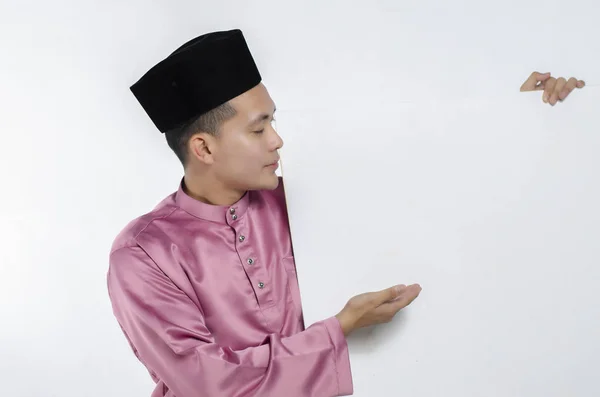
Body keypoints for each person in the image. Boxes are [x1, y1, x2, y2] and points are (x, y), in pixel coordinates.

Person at [107, 29, 585, 397]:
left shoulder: (303, 197)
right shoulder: (144, 254)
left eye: (274, 121)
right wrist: (337, 331)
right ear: (204, 147)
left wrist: (522, 117)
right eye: (258, 130)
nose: (277, 140)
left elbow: (436, 180)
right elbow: (209, 384)